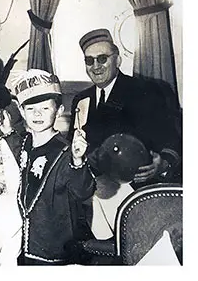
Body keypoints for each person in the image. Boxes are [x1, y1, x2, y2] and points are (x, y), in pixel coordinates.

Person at [0, 69, 96, 265]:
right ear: (22, 111)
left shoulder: (65, 151)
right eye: (31, 109)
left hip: (55, 245)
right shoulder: (26, 142)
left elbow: (83, 191)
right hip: (28, 241)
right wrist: (8, 132)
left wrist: (78, 160)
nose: (38, 114)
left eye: (45, 108)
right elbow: (19, 150)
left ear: (58, 111)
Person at [67, 28, 182, 186]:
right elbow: (72, 146)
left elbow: (171, 138)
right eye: (89, 60)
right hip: (92, 186)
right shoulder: (81, 99)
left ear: (118, 61)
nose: (95, 66)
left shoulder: (146, 91)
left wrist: (162, 164)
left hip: (136, 187)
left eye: (102, 59)